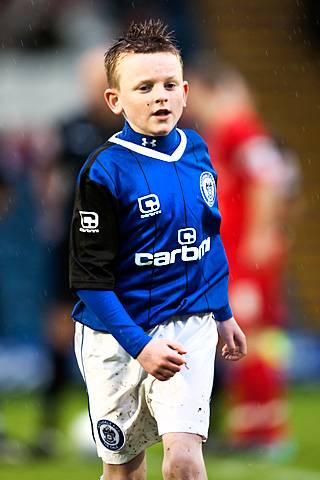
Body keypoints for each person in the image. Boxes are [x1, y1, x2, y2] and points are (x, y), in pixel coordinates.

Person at [69, 20, 247, 480]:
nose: (159, 96)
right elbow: (91, 281)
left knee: (184, 458)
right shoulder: (103, 172)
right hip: (118, 336)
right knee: (124, 471)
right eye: (144, 87)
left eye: (169, 84)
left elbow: (207, 239)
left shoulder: (197, 151)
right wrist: (140, 347)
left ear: (185, 91)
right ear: (115, 100)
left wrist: (222, 311)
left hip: (188, 323)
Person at [186, 55, 300, 456]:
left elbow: (270, 180)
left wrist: (261, 235)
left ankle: (267, 434)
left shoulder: (239, 127)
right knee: (248, 338)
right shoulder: (229, 131)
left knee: (252, 337)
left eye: (192, 91)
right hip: (237, 253)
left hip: (248, 256)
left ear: (207, 88)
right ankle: (254, 428)